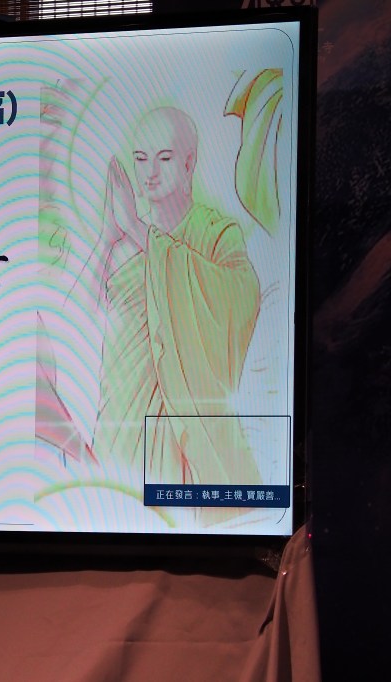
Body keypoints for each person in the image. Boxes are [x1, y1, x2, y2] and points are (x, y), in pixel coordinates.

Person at [90, 106, 263, 490]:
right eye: (140, 159)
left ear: (188, 164)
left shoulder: (215, 235)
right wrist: (108, 236)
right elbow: (78, 317)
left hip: (187, 435)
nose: (149, 172)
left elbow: (241, 297)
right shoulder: (121, 246)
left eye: (164, 158)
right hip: (123, 425)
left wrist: (139, 231)